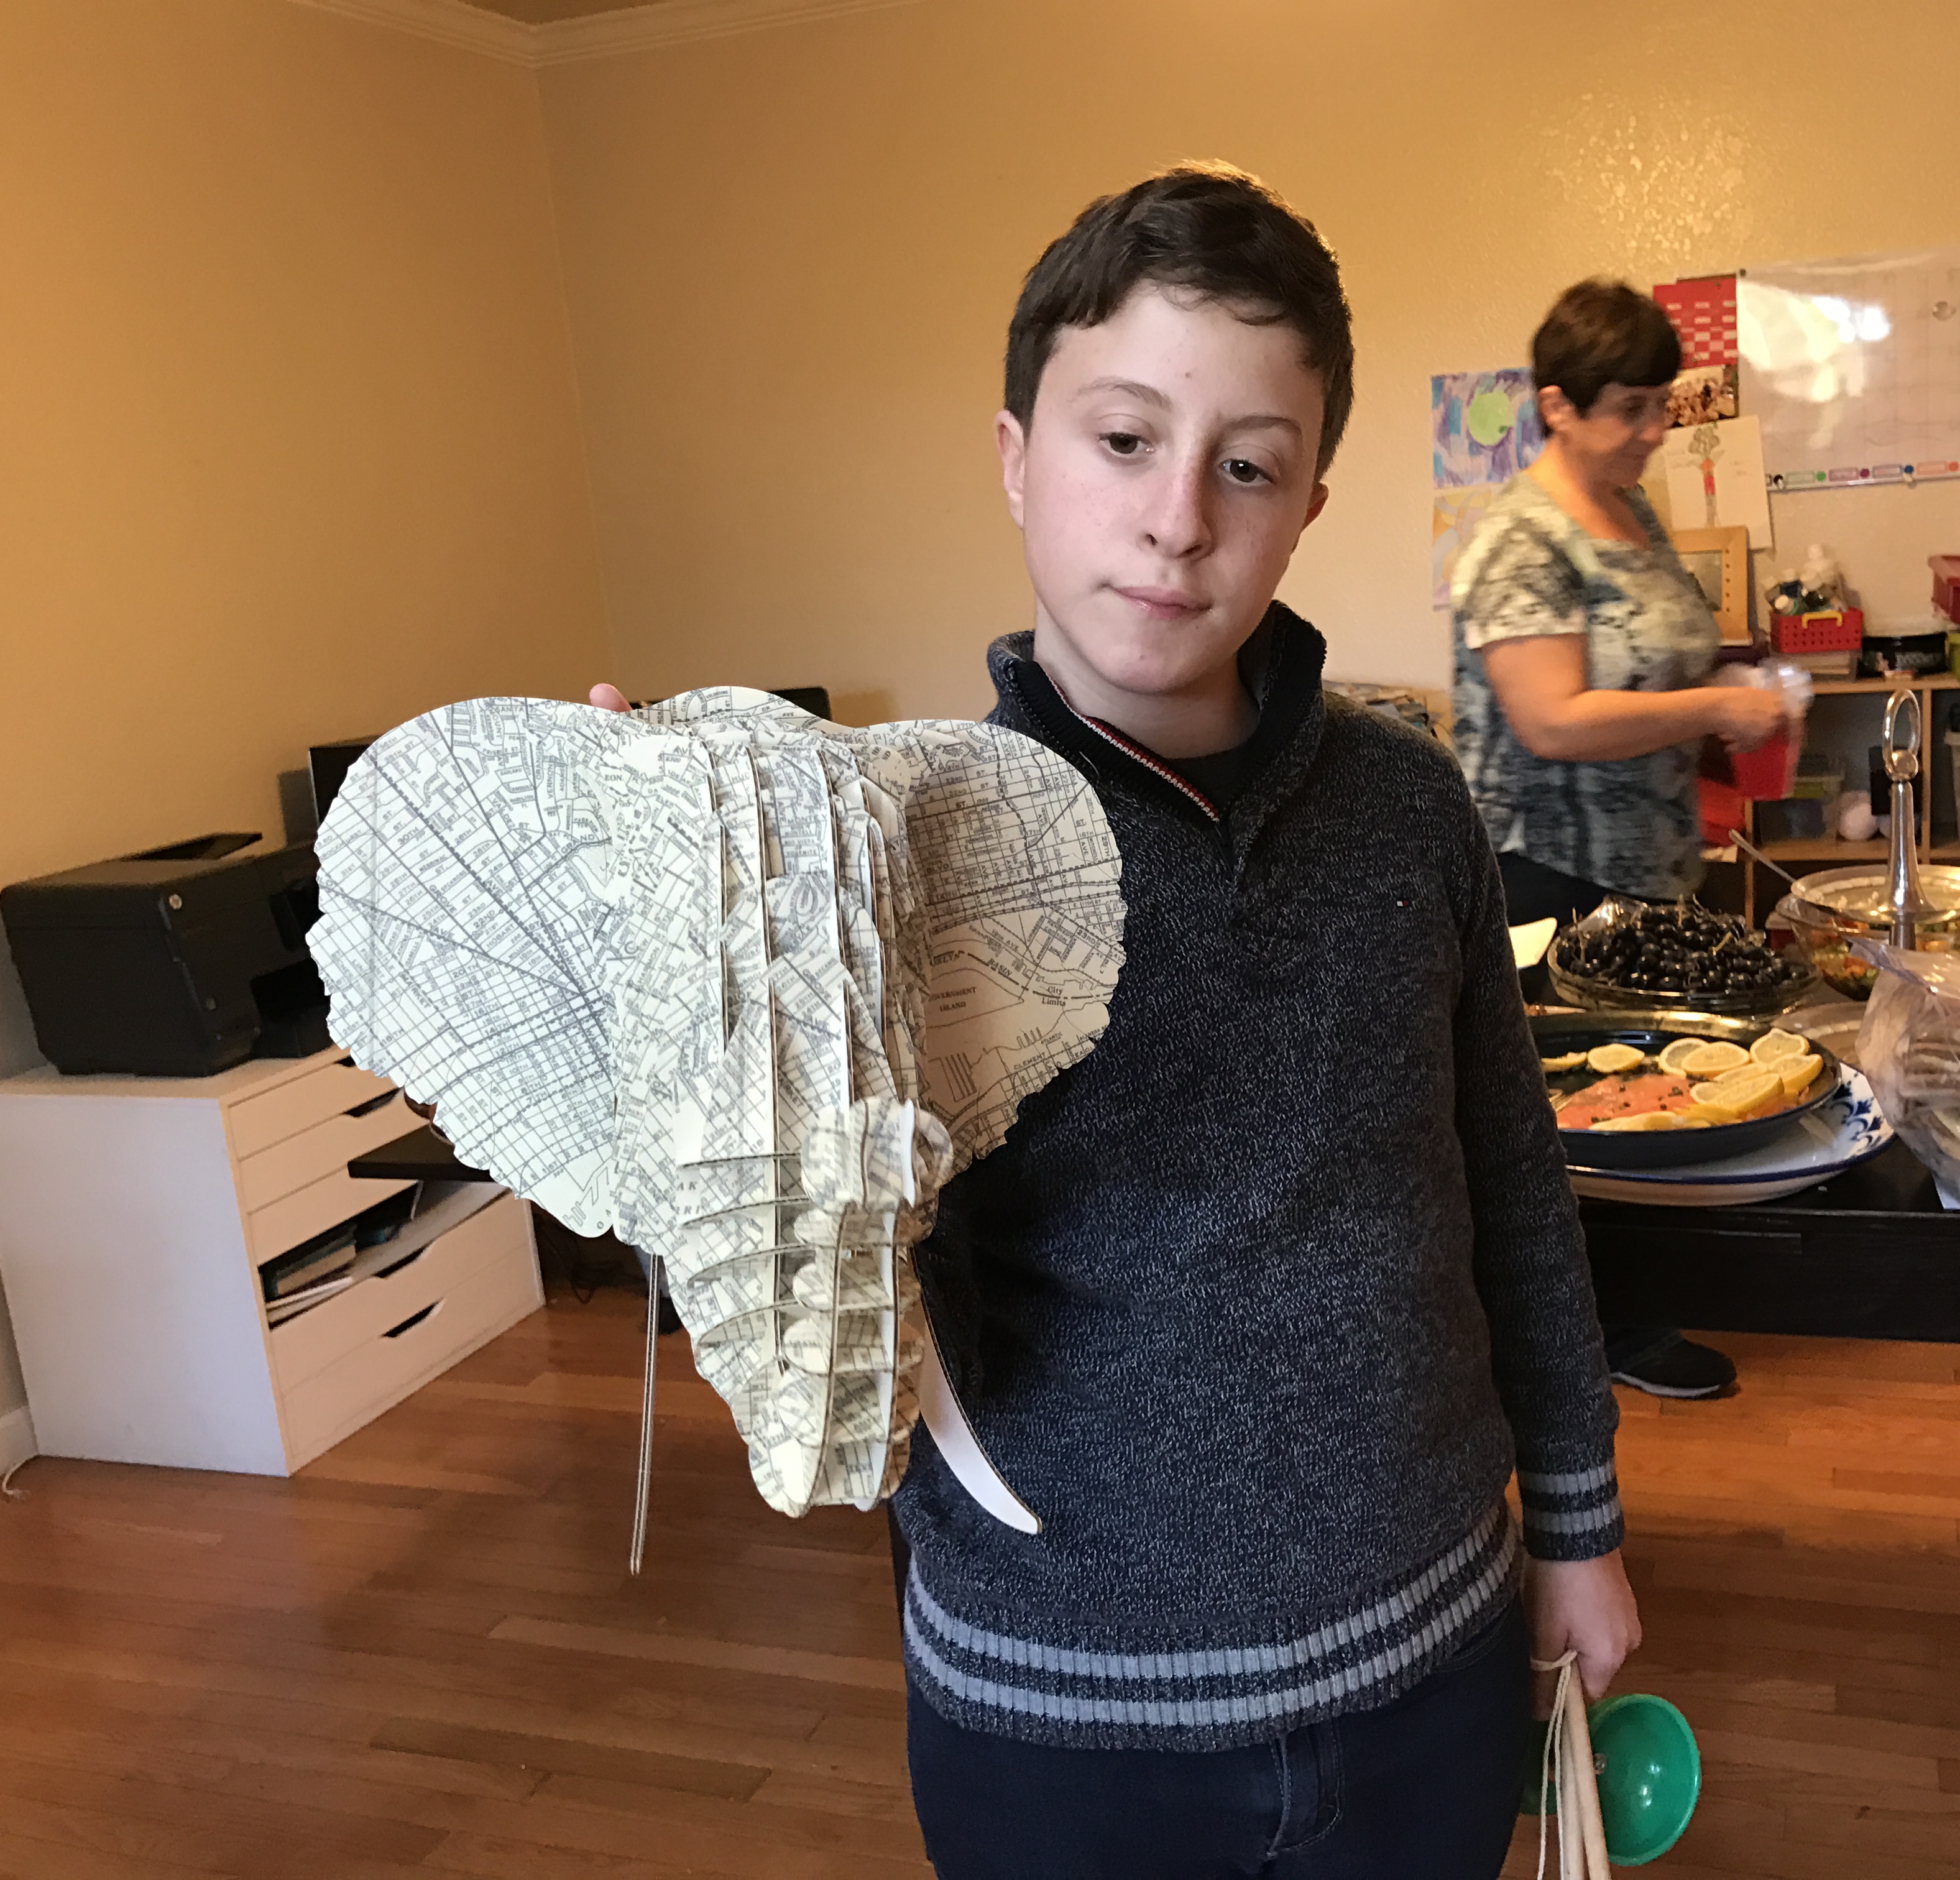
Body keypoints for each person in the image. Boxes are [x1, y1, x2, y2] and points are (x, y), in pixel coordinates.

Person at [605, 167, 1638, 1879]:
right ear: (1017, 458)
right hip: (1054, 1719)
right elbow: (804, 1313)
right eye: (1124, 440)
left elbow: (1514, 1189)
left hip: (1426, 1665)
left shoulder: (1410, 810)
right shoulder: (878, 854)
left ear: (1308, 506)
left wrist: (1580, 1525)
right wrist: (680, 963)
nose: (1178, 521)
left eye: (1249, 466)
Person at [1448, 279, 1787, 1405]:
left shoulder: (1632, 511)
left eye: (1661, 406)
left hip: (1648, 865)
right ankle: (1593, 1341)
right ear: (1558, 404)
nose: (1654, 431)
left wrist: (1728, 707)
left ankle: (1638, 1307)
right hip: (1546, 871)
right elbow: (1551, 720)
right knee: (1578, 1109)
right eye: (1632, 409)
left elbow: (1652, 663)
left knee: (1652, 1085)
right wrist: (1714, 707)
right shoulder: (1518, 540)